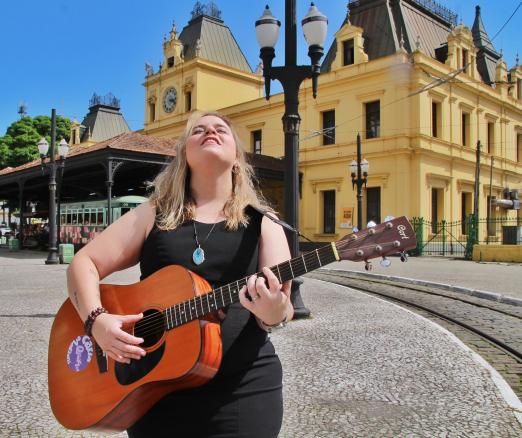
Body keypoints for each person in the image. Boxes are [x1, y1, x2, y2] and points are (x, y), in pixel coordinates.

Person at [66, 111, 293, 437]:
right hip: (154, 390)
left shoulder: (263, 223)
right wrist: (96, 320)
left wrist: (274, 312)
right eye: (197, 130)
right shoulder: (153, 213)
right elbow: (83, 263)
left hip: (242, 388)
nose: (210, 132)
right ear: (184, 153)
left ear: (238, 160)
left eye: (221, 130)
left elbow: (280, 308)